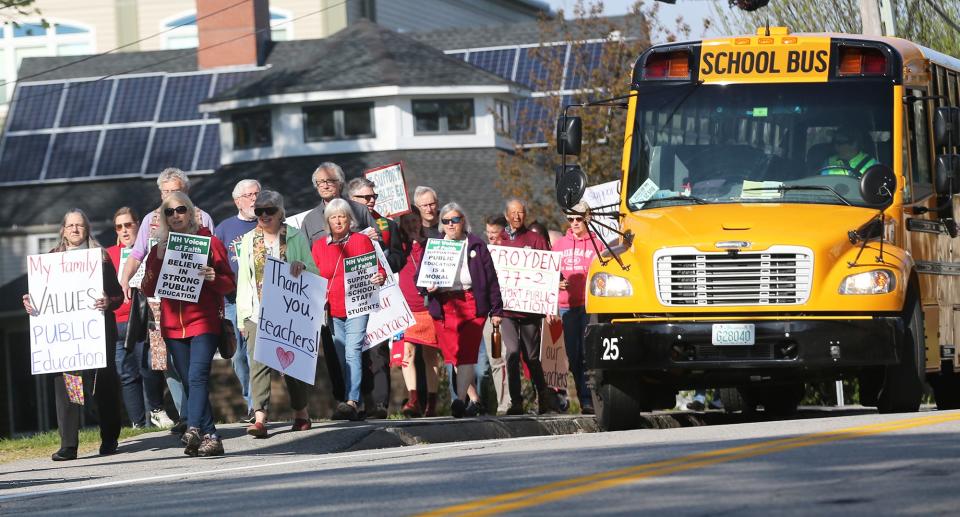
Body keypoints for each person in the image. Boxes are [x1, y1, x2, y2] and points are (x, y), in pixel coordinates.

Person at [21, 209, 123, 461]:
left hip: (97, 333)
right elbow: (42, 299)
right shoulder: (50, 260)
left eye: (80, 225)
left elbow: (118, 296)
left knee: (103, 385)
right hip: (66, 339)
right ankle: (69, 444)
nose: (75, 229)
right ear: (63, 230)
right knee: (69, 386)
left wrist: (108, 301)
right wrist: (30, 302)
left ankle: (109, 437)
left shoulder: (100, 258)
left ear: (87, 229)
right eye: (70, 226)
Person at [119, 167, 214, 433]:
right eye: (166, 192)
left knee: (196, 366)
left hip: (195, 300)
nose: (170, 198)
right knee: (167, 362)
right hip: (160, 302)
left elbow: (212, 253)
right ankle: (187, 414)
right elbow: (137, 255)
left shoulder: (202, 217)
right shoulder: (150, 220)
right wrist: (125, 279)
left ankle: (197, 417)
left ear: (187, 192)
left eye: (175, 191)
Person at [140, 193, 235, 457]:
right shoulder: (159, 248)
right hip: (172, 325)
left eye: (181, 209)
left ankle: (193, 427)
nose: (176, 215)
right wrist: (157, 258)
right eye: (169, 212)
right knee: (189, 380)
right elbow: (148, 288)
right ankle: (211, 436)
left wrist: (215, 277)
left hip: (204, 321)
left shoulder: (209, 241)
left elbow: (229, 284)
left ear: (190, 212)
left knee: (197, 376)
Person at [237, 190, 320, 437]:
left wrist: (302, 267)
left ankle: (301, 412)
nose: (263, 215)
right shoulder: (248, 240)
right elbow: (244, 279)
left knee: (293, 366)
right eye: (259, 211)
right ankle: (260, 417)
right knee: (258, 364)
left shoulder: (295, 237)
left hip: (289, 312)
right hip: (256, 312)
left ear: (281, 212)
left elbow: (315, 271)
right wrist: (242, 316)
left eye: (269, 210)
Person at [422, 203, 503, 418]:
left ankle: (459, 399)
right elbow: (419, 278)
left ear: (463, 221)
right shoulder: (435, 246)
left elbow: (491, 280)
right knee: (452, 355)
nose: (451, 224)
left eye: (455, 220)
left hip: (471, 303)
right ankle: (469, 398)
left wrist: (496, 310)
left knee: (467, 354)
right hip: (445, 304)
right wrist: (426, 286)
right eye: (446, 221)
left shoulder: (476, 245)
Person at [312, 198, 386, 421]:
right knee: (342, 353)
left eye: (342, 216)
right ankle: (356, 400)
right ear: (327, 221)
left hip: (357, 305)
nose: (338, 221)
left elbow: (379, 269)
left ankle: (351, 401)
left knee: (353, 351)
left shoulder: (362, 241)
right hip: (332, 309)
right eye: (333, 217)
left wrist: (379, 276)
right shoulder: (318, 247)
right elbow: (314, 276)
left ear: (349, 219)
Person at [346, 177, 406, 419]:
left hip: (381, 297)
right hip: (352, 297)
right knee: (355, 350)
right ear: (352, 199)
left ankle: (380, 404)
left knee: (379, 350)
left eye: (374, 197)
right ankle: (357, 402)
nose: (371, 201)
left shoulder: (386, 225)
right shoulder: (341, 223)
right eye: (366, 197)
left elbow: (399, 258)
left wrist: (381, 262)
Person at [106, 207, 170, 428]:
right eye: (119, 227)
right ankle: (138, 422)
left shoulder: (148, 250)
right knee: (126, 374)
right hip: (118, 321)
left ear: (138, 225)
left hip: (146, 317)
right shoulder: (109, 255)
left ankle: (156, 408)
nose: (124, 231)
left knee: (150, 366)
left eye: (128, 225)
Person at [499, 198, 558, 415]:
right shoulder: (500, 242)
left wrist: (550, 305)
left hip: (530, 309)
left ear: (525, 214)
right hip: (507, 310)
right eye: (513, 213)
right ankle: (517, 402)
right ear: (506, 215)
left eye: (521, 212)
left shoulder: (534, 239)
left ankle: (544, 395)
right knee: (512, 353)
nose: (517, 216)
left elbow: (549, 273)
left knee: (531, 358)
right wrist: (494, 310)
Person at [214, 178, 261, 422]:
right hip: (233, 302)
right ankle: (251, 400)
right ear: (237, 201)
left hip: (263, 299)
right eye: (249, 195)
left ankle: (258, 407)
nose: (254, 199)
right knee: (238, 356)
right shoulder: (223, 230)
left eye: (257, 194)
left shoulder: (269, 223)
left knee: (258, 354)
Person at [552, 202, 601, 414]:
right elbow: (549, 274)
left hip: (590, 306)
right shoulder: (560, 245)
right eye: (570, 219)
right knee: (573, 355)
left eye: (578, 219)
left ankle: (589, 398)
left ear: (587, 218)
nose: (574, 223)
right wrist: (556, 283)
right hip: (566, 307)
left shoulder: (598, 244)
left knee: (588, 353)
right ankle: (584, 397)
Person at [396, 207, 443, 417]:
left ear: (420, 222)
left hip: (428, 309)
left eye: (414, 221)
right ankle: (413, 399)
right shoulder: (398, 248)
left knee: (430, 356)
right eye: (406, 222)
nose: (411, 225)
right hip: (406, 310)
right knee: (407, 354)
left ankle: (431, 402)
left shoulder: (431, 245)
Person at [299, 162, 379, 246]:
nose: (325, 186)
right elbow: (304, 255)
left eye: (330, 181)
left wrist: (375, 239)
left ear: (340, 184)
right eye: (320, 182)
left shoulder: (360, 210)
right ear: (316, 185)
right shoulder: (309, 220)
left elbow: (380, 242)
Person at [481, 214, 510, 414]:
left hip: (516, 310)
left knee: (514, 356)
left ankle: (516, 399)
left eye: (495, 233)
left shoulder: (515, 251)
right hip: (493, 313)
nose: (491, 237)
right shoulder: (483, 252)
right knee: (496, 357)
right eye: (488, 233)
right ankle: (503, 403)